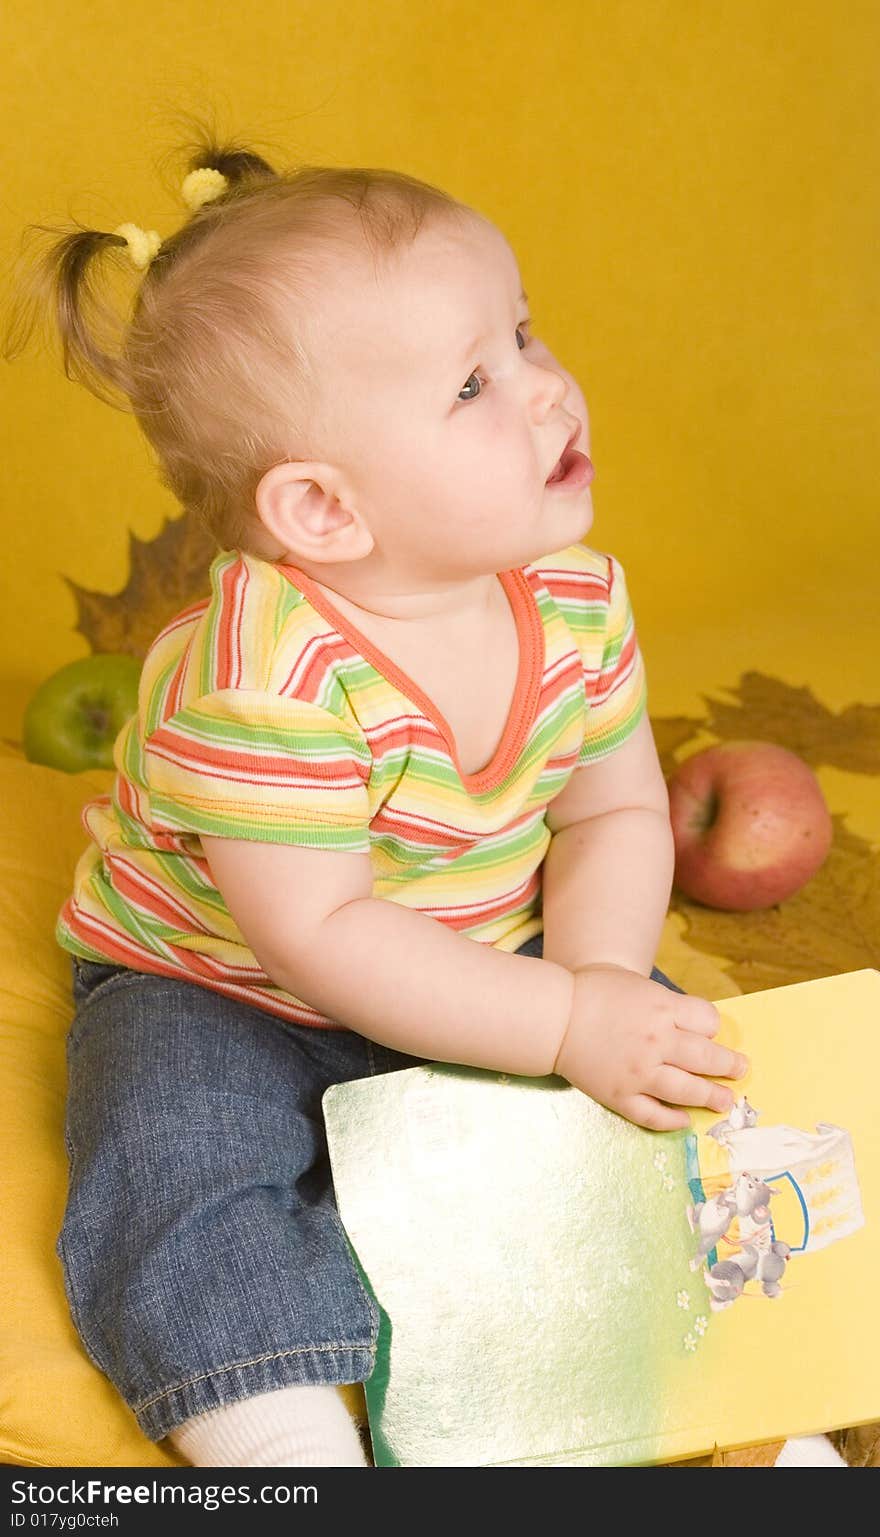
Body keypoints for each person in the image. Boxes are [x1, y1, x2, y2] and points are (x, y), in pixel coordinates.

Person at [4, 127, 844, 1470]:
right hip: (232, 983)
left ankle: (733, 1402)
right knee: (174, 1142)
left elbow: (614, 811)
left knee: (672, 1093)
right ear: (325, 512)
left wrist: (596, 983)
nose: (548, 391)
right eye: (473, 383)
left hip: (484, 949)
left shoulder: (573, 599)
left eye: (525, 332)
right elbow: (322, 932)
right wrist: (559, 1020)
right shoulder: (267, 675)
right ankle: (271, 1417)